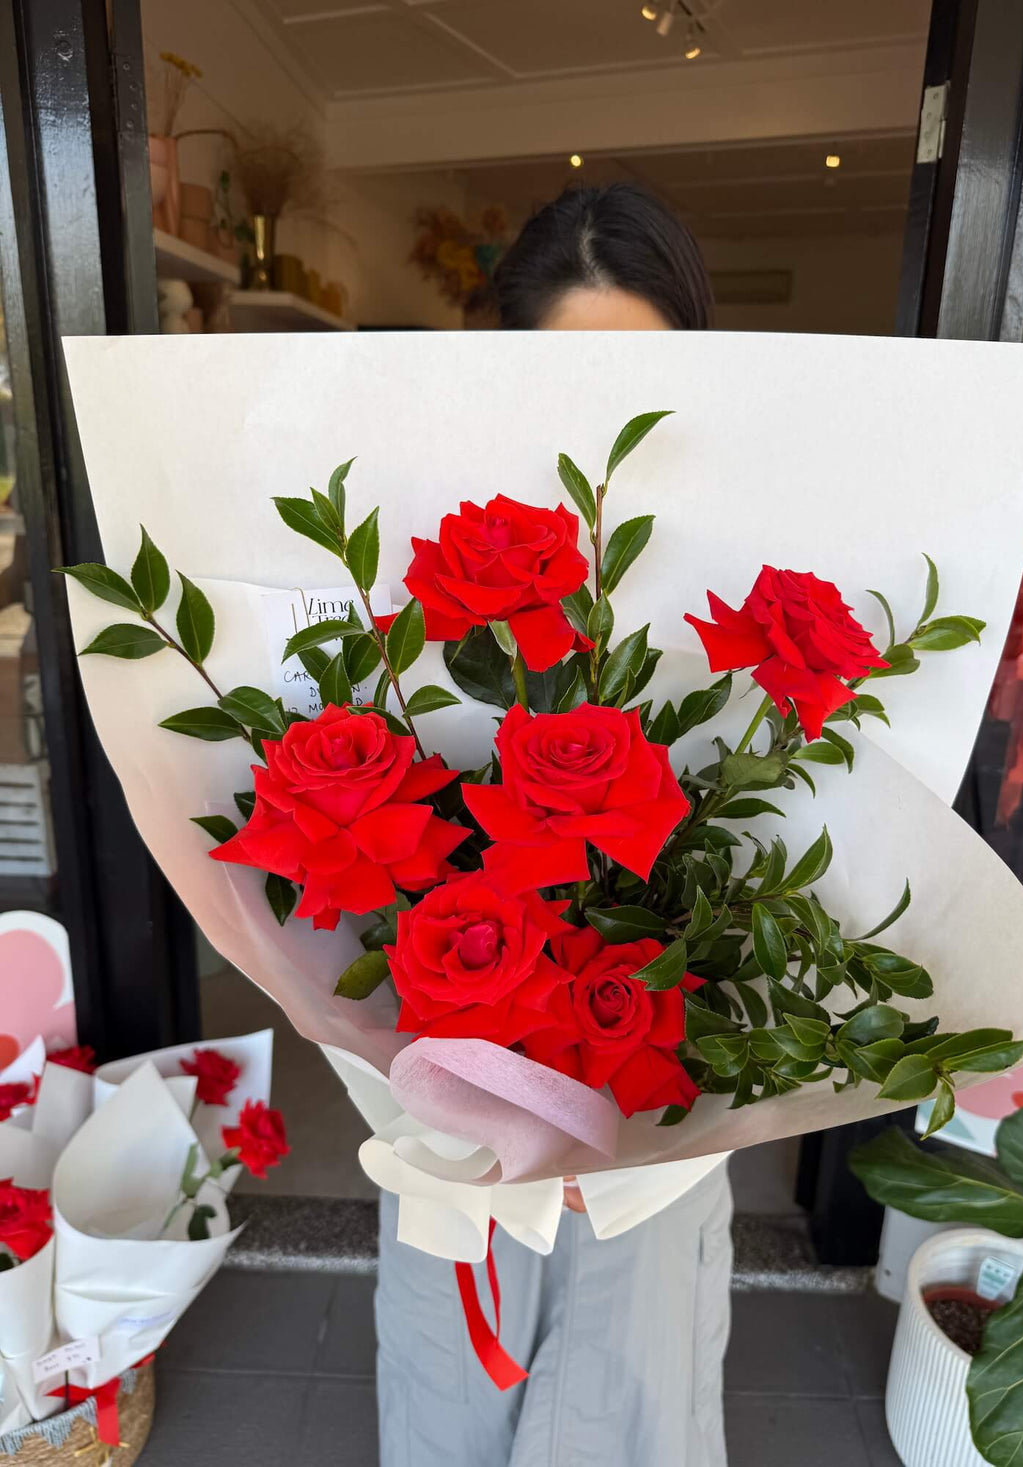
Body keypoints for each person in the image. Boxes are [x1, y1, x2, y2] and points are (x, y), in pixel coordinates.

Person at [375, 183, 732, 1467]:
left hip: (656, 1108)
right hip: (458, 1101)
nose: (601, 421)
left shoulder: (735, 538)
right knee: (449, 1407)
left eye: (643, 379)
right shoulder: (428, 573)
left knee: (633, 1406)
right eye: (566, 380)